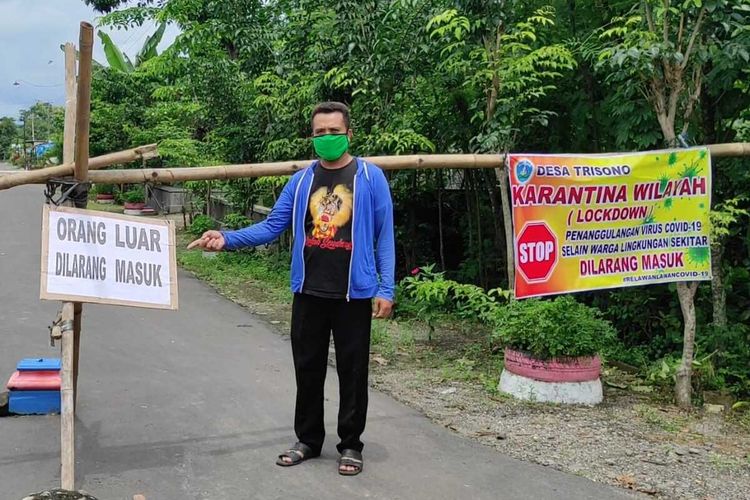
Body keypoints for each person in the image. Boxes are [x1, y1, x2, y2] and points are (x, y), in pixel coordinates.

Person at [188, 101, 395, 476]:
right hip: (309, 291)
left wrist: (387, 287)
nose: (327, 138)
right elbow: (272, 226)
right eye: (320, 133)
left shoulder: (369, 177)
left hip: (354, 293)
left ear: (349, 134)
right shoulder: (301, 181)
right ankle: (308, 440)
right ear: (312, 138)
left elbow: (384, 237)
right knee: (307, 368)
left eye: (334, 132)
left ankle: (350, 444)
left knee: (352, 371)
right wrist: (227, 238)